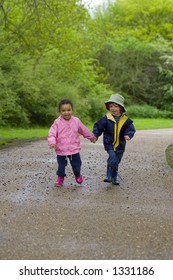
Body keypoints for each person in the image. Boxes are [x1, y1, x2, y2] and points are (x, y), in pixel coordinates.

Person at [48, 98, 96, 187]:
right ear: (60, 111)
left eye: (68, 110)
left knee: (77, 165)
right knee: (61, 166)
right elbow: (52, 133)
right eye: (63, 110)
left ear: (72, 110)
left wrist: (91, 137)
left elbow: (83, 130)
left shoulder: (76, 121)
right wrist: (52, 142)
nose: (66, 112)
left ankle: (77, 174)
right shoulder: (57, 122)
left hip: (74, 149)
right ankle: (60, 178)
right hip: (61, 150)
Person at [93, 93, 136, 185]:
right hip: (109, 143)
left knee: (117, 161)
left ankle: (114, 178)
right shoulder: (106, 118)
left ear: (121, 108)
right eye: (111, 106)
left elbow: (131, 129)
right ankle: (108, 176)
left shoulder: (126, 120)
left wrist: (128, 135)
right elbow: (98, 126)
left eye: (115, 106)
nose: (113, 108)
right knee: (112, 157)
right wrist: (95, 135)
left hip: (120, 144)